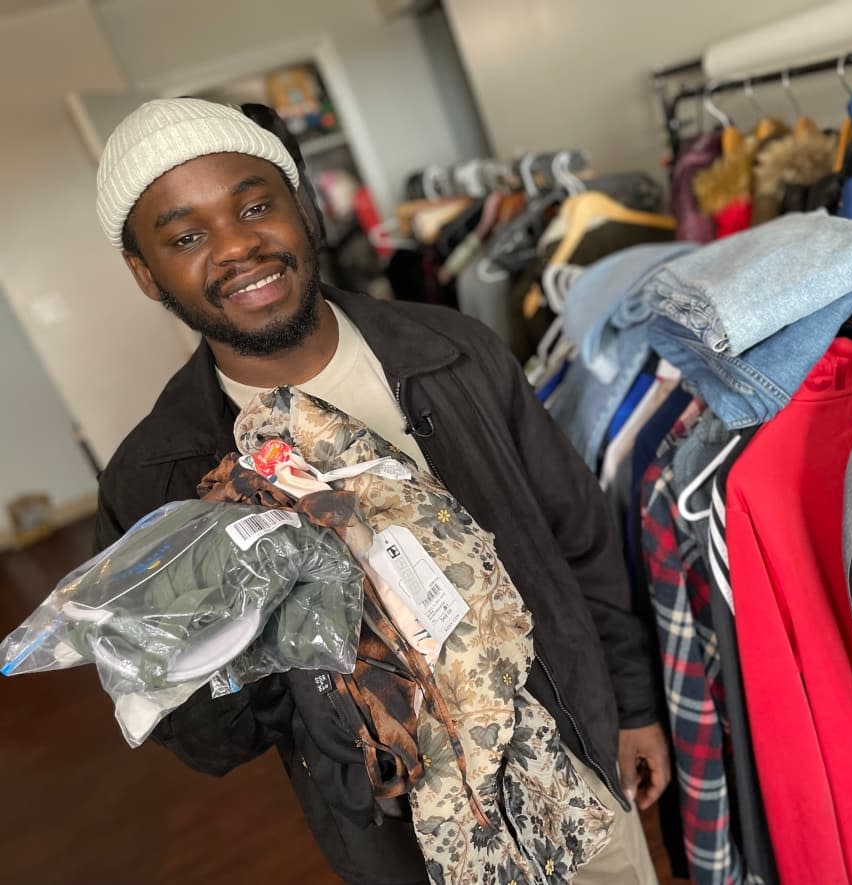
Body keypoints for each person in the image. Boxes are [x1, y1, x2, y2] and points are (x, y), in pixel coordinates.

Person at [92, 98, 669, 884]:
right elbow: (211, 738)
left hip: (579, 769)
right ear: (144, 271)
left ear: (304, 209)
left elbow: (581, 538)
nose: (236, 246)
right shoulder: (155, 479)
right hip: (411, 846)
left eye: (256, 205)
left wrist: (633, 706)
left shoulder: (456, 353)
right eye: (187, 235)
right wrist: (242, 618)